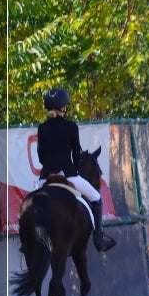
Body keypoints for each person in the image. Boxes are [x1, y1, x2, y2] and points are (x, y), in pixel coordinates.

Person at [37, 88, 116, 252]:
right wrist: (74, 169)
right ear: (63, 108)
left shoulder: (42, 128)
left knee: (34, 205)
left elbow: (41, 158)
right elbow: (76, 156)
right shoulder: (71, 127)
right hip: (68, 176)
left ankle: (31, 243)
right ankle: (98, 239)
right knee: (95, 197)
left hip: (46, 178)